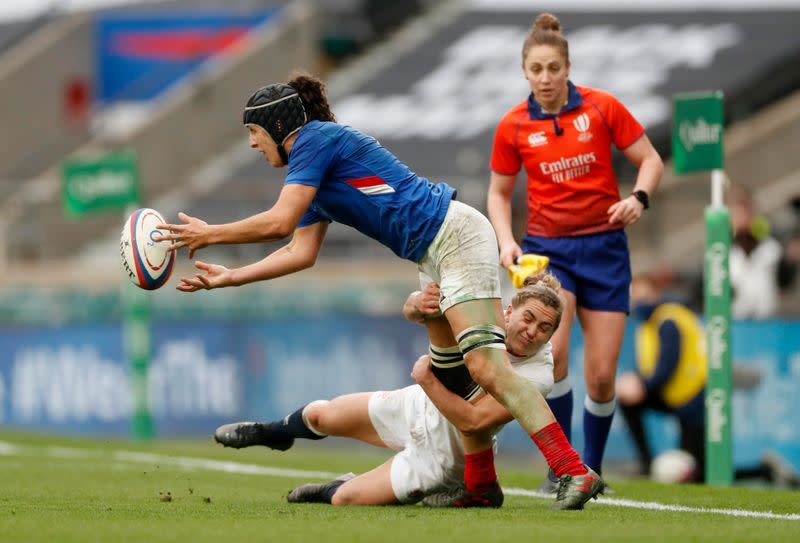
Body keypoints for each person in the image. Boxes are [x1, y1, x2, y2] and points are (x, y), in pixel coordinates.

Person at [157, 71, 603, 509]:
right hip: (433, 252)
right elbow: (299, 251)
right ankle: (480, 484)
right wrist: (230, 276)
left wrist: (212, 233)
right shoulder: (310, 174)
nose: (252, 143)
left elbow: (278, 222)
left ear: (277, 126)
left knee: (485, 367)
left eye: (254, 131)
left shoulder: (315, 139)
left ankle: (571, 469)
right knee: (452, 371)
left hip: (455, 237)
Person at [485, 12, 664, 490]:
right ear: (525, 72)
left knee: (603, 376)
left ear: (567, 68)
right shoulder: (514, 125)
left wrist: (637, 199)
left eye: (553, 68)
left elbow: (649, 159)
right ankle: (562, 466)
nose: (545, 78)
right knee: (554, 356)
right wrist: (506, 240)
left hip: (605, 250)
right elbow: (499, 194)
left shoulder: (602, 108)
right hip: (548, 254)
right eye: (536, 69)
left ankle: (594, 469)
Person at [214, 274, 563, 506]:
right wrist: (418, 302)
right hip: (416, 405)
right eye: (528, 318)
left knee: (344, 500)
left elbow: (472, 422)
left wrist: (426, 380)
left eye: (544, 328)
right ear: (508, 311)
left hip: (446, 452)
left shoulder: (538, 375)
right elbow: (411, 309)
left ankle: (336, 486)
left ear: (551, 336)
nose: (532, 331)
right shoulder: (485, 315)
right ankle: (273, 432)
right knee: (322, 414)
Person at [619, 273, 800, 488]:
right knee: (626, 400)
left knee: (699, 475)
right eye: (634, 295)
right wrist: (634, 381)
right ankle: (646, 464)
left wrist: (642, 385)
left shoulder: (669, 319)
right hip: (675, 397)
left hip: (695, 400)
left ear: (656, 294)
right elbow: (647, 364)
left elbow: (668, 365)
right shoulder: (647, 325)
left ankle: (763, 470)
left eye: (643, 295)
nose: (638, 301)